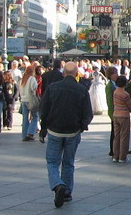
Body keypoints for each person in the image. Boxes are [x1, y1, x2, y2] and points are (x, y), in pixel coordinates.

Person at [38, 62, 93, 207]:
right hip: (73, 131)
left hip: (54, 130)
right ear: (76, 74)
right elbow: (88, 113)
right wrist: (82, 126)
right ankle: (67, 192)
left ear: (63, 73)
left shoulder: (52, 88)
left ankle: (58, 184)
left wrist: (44, 127)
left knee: (52, 162)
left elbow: (43, 109)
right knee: (68, 163)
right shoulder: (81, 90)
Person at [112, 76, 131, 162]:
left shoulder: (115, 92)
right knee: (124, 136)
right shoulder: (125, 94)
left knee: (117, 136)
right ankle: (122, 156)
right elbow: (130, 106)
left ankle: (115, 155)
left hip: (116, 114)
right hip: (124, 115)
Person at [19, 64, 39, 142]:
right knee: (35, 116)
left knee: (25, 118)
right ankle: (30, 133)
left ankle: (24, 135)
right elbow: (34, 88)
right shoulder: (32, 78)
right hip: (30, 100)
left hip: (23, 100)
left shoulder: (22, 79)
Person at [105, 67, 119, 158]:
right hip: (114, 112)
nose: (116, 75)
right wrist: (112, 114)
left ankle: (114, 149)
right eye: (114, 73)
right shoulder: (110, 86)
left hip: (118, 111)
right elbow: (110, 101)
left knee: (116, 132)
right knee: (114, 132)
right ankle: (112, 150)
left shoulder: (115, 84)